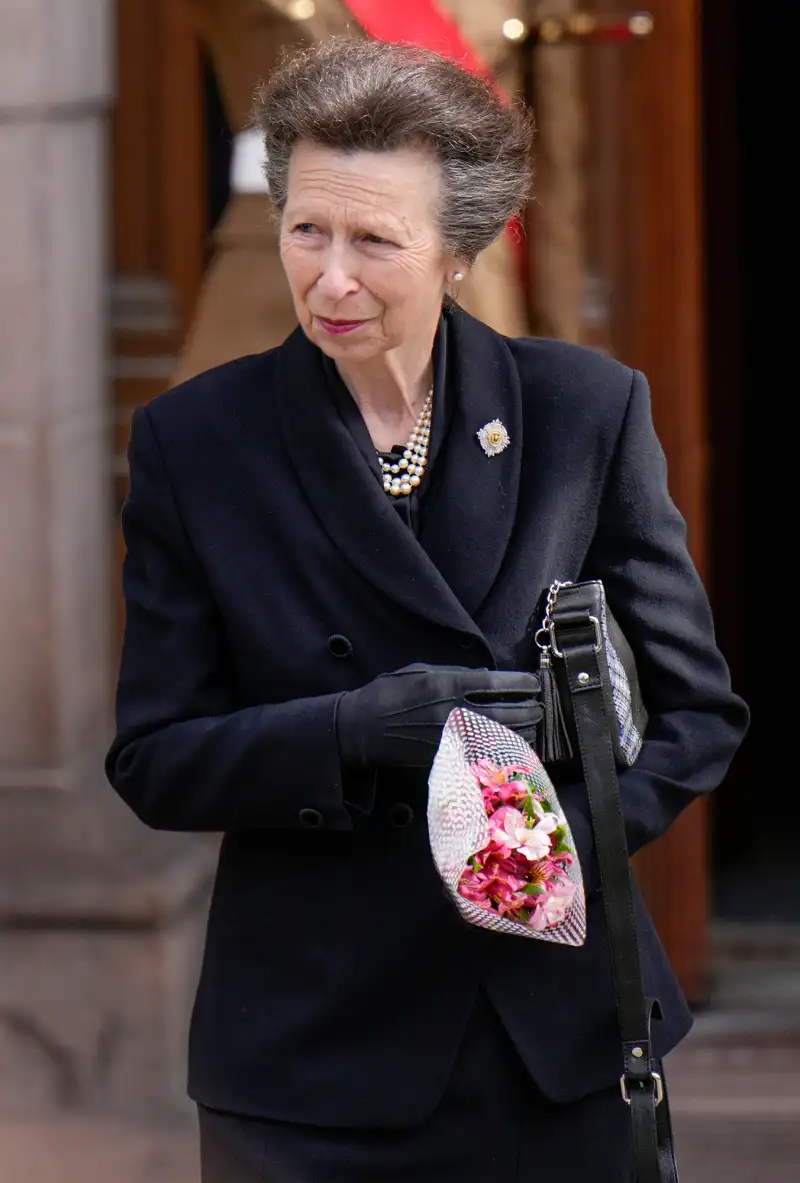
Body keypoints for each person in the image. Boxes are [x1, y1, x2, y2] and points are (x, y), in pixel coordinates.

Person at [106, 38, 748, 1183]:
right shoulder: (195, 443)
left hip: (547, 1036)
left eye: (374, 242)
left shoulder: (581, 411)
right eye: (306, 230)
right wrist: (349, 731)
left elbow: (696, 712)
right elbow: (155, 758)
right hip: (309, 1052)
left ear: (459, 249)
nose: (330, 279)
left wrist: (551, 844)